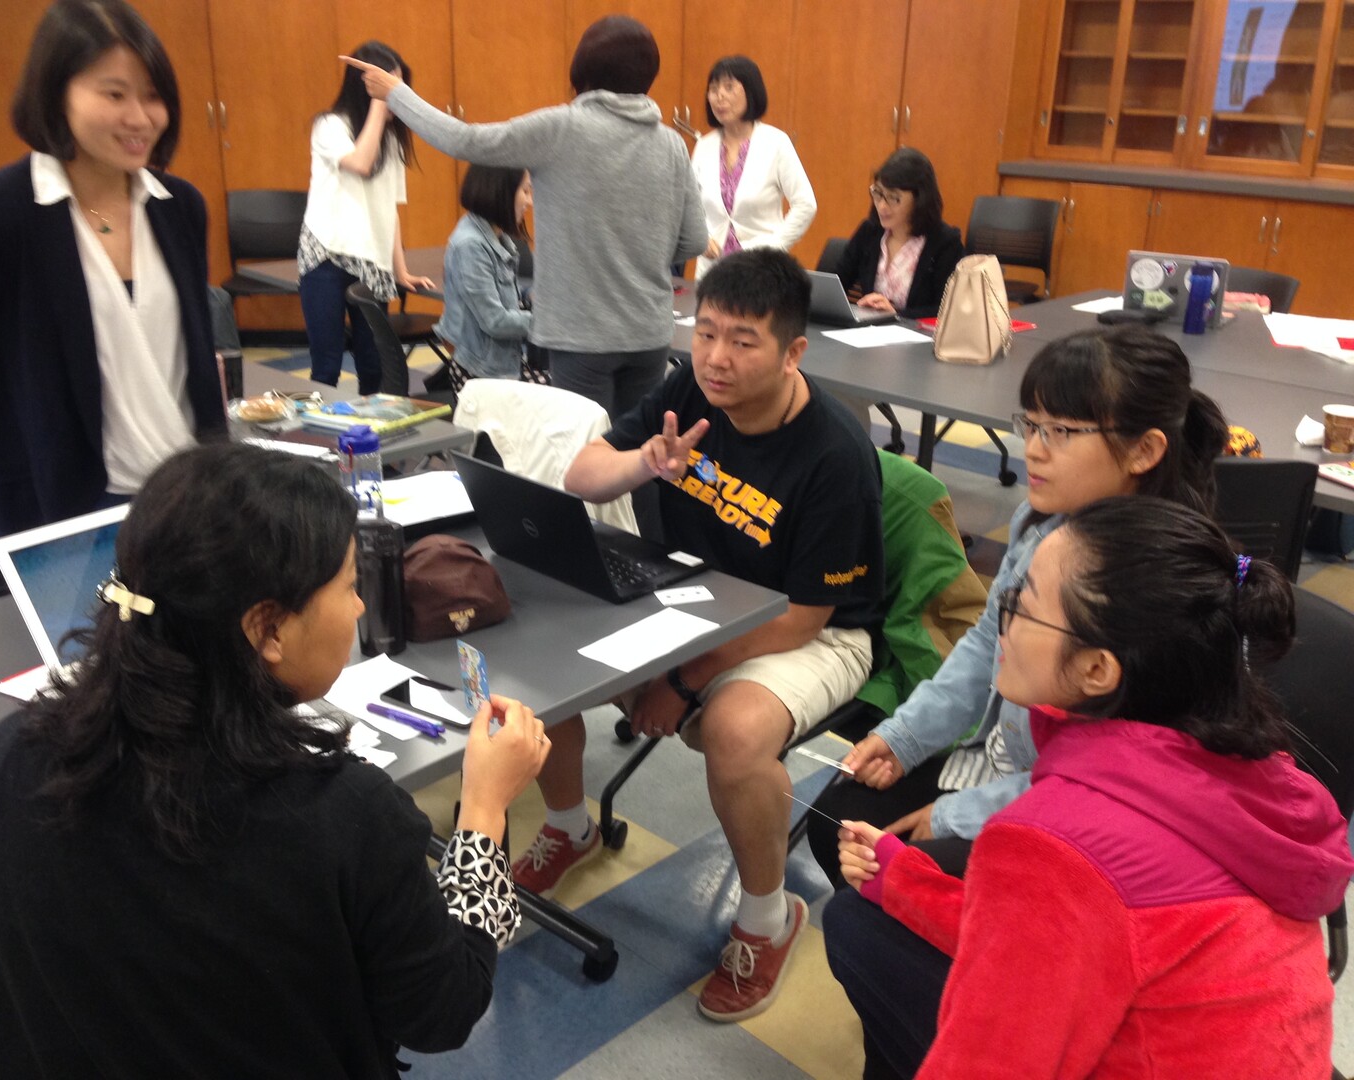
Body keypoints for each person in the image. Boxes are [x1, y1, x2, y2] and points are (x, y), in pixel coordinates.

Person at [0, 442, 551, 1076]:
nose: (360, 606)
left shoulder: (4, 759)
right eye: (350, 585)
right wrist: (483, 811)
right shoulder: (341, 816)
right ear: (266, 629)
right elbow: (442, 1010)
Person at [825, 497, 1354, 1078]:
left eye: (1020, 607)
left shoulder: (1054, 842)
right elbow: (1062, 942)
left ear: (1098, 669)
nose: (1001, 621)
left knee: (851, 927)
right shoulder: (1249, 762)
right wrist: (906, 881)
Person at [513, 249, 884, 1022]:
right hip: (692, 599)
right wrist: (642, 463)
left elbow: (804, 617)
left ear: (793, 352)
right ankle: (569, 827)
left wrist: (680, 681)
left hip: (809, 629)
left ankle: (766, 918)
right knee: (546, 650)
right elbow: (583, 475)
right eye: (706, 332)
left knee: (735, 732)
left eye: (744, 340)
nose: (717, 356)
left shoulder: (835, 455)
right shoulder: (686, 390)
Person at [805, 326, 1230, 883]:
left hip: (1085, 813)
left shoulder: (1153, 589)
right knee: (836, 820)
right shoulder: (1042, 525)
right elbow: (987, 642)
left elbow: (1104, 775)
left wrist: (957, 816)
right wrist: (906, 735)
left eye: (1061, 431)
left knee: (896, 877)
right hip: (1010, 761)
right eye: (1030, 423)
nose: (1032, 447)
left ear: (1144, 451)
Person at [0, 0, 226, 537]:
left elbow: (190, 346)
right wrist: (33, 423)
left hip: (188, 491)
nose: (140, 117)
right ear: (55, 91)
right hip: (66, 501)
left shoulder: (179, 205)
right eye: (114, 94)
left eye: (153, 96)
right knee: (83, 624)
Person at [343, 15, 707, 420]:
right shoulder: (672, 145)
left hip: (579, 337)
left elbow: (467, 140)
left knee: (583, 460)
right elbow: (693, 240)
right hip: (648, 335)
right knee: (640, 456)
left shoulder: (562, 128)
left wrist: (397, 94)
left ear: (582, 72)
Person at [299, 41, 436, 395]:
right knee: (326, 366)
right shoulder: (329, 126)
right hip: (326, 256)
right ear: (367, 87)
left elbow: (388, 208)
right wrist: (380, 103)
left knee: (374, 366)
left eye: (399, 88)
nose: (397, 96)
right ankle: (321, 447)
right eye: (391, 86)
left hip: (372, 262)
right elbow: (360, 164)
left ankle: (374, 444)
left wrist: (400, 270)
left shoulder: (389, 140)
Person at [690, 55, 816, 279]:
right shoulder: (704, 146)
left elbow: (805, 204)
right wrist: (701, 238)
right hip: (712, 271)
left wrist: (775, 245)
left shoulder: (776, 143)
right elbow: (689, 205)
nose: (719, 96)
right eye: (713, 89)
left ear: (750, 91)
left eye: (729, 88)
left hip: (761, 271)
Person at [435, 165, 546, 390]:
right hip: (483, 374)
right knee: (571, 398)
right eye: (525, 191)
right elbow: (494, 320)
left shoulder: (494, 236)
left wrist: (533, 297)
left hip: (502, 364)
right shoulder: (471, 245)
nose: (529, 202)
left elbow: (504, 296)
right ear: (500, 191)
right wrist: (550, 322)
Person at [833, 147, 962, 320]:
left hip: (918, 340)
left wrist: (897, 314)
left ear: (919, 199)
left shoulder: (945, 243)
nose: (882, 206)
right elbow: (836, 282)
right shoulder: (869, 231)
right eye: (878, 194)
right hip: (868, 336)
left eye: (894, 198)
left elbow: (948, 311)